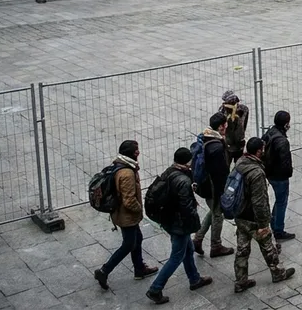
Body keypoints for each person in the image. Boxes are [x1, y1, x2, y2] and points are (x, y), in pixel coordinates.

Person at [145, 147, 212, 304]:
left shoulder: (169, 171)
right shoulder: (183, 180)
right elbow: (186, 207)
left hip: (169, 219)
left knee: (187, 250)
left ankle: (194, 279)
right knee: (176, 256)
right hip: (179, 223)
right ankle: (155, 288)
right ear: (188, 162)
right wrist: (194, 223)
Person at [232, 137, 295, 293]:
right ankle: (278, 273)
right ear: (259, 151)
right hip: (253, 217)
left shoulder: (240, 162)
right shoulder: (257, 172)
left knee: (242, 249)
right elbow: (259, 201)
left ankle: (241, 281)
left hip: (240, 214)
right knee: (269, 247)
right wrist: (263, 224)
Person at [93, 140, 157, 290]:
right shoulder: (127, 173)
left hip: (122, 214)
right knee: (128, 244)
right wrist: (139, 209)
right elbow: (129, 201)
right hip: (126, 216)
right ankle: (104, 270)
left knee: (138, 238)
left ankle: (139, 268)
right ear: (130, 153)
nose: (138, 153)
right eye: (136, 151)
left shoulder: (120, 165)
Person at [193, 113, 234, 258]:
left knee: (213, 210)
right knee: (218, 214)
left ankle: (198, 239)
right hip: (213, 187)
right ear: (221, 126)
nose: (227, 127)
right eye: (226, 125)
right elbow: (220, 173)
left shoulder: (205, 136)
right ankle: (216, 246)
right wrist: (223, 191)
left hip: (204, 184)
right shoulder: (216, 147)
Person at [261, 111, 294, 241]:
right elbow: (285, 162)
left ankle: (274, 223)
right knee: (281, 202)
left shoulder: (269, 133)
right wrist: (288, 174)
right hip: (279, 176)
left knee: (278, 201)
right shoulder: (282, 141)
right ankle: (278, 229)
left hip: (268, 172)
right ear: (286, 124)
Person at [219, 92, 250, 164]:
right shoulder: (222, 112)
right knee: (226, 164)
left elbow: (244, 125)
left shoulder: (244, 110)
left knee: (239, 165)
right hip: (228, 144)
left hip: (239, 143)